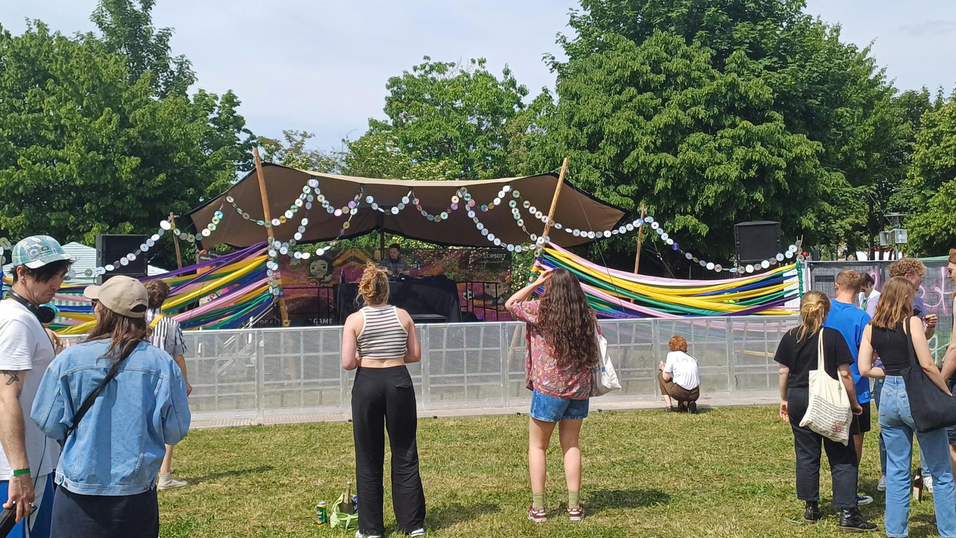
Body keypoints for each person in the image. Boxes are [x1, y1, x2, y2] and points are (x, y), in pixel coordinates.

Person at [31, 276, 190, 538]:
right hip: (136, 496)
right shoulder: (162, 364)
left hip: (78, 494)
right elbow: (176, 430)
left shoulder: (69, 360)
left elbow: (46, 420)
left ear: (102, 311)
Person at [858, 277, 956, 538]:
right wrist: (945, 391)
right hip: (916, 395)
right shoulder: (911, 322)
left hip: (888, 396)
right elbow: (926, 364)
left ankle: (896, 532)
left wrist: (889, 373)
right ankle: (950, 531)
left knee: (897, 471)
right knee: (941, 472)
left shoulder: (871, 327)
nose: (915, 298)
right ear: (904, 297)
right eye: (912, 294)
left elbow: (864, 368)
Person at [774, 291, 876, 531]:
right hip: (827, 398)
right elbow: (844, 374)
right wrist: (854, 403)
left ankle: (811, 506)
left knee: (806, 453)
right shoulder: (832, 336)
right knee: (842, 453)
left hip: (798, 397)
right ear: (826, 312)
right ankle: (848, 512)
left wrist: (784, 398)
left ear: (802, 311)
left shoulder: (790, 336)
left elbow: (783, 372)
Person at [506, 268, 599, 523]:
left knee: (538, 446)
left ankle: (539, 508)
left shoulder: (540, 311)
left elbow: (511, 303)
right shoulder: (586, 314)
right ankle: (574, 508)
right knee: (571, 445)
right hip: (578, 389)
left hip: (548, 389)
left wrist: (535, 282)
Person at [341, 263, 425, 538]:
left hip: (367, 383)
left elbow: (347, 363)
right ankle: (412, 524)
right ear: (387, 289)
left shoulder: (354, 320)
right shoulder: (403, 316)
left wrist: (364, 357)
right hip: (399, 382)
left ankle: (371, 528)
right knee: (404, 451)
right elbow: (414, 355)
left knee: (368, 456)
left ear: (364, 292)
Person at [0, 236, 73, 538]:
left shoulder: (22, 317)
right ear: (21, 273)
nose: (55, 282)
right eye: (47, 274)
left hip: (31, 462)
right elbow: (5, 396)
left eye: (59, 274)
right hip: (19, 467)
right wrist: (19, 471)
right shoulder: (17, 321)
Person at [822, 269, 873, 506]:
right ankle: (849, 490)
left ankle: (834, 486)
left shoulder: (824, 311)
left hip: (825, 386)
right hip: (857, 388)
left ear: (837, 286)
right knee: (855, 441)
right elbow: (868, 355)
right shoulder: (863, 318)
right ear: (861, 289)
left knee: (830, 440)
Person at [144, 279, 192, 491]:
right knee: (165, 424)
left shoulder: (134, 321)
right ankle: (165, 476)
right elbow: (178, 356)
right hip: (163, 379)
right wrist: (185, 382)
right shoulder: (171, 324)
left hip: (139, 378)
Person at [657, 336, 701, 413]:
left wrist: (663, 368)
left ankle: (669, 406)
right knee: (681, 407)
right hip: (695, 393)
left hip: (680, 391)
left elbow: (666, 378)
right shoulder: (693, 358)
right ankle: (690, 403)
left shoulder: (671, 355)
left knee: (661, 376)